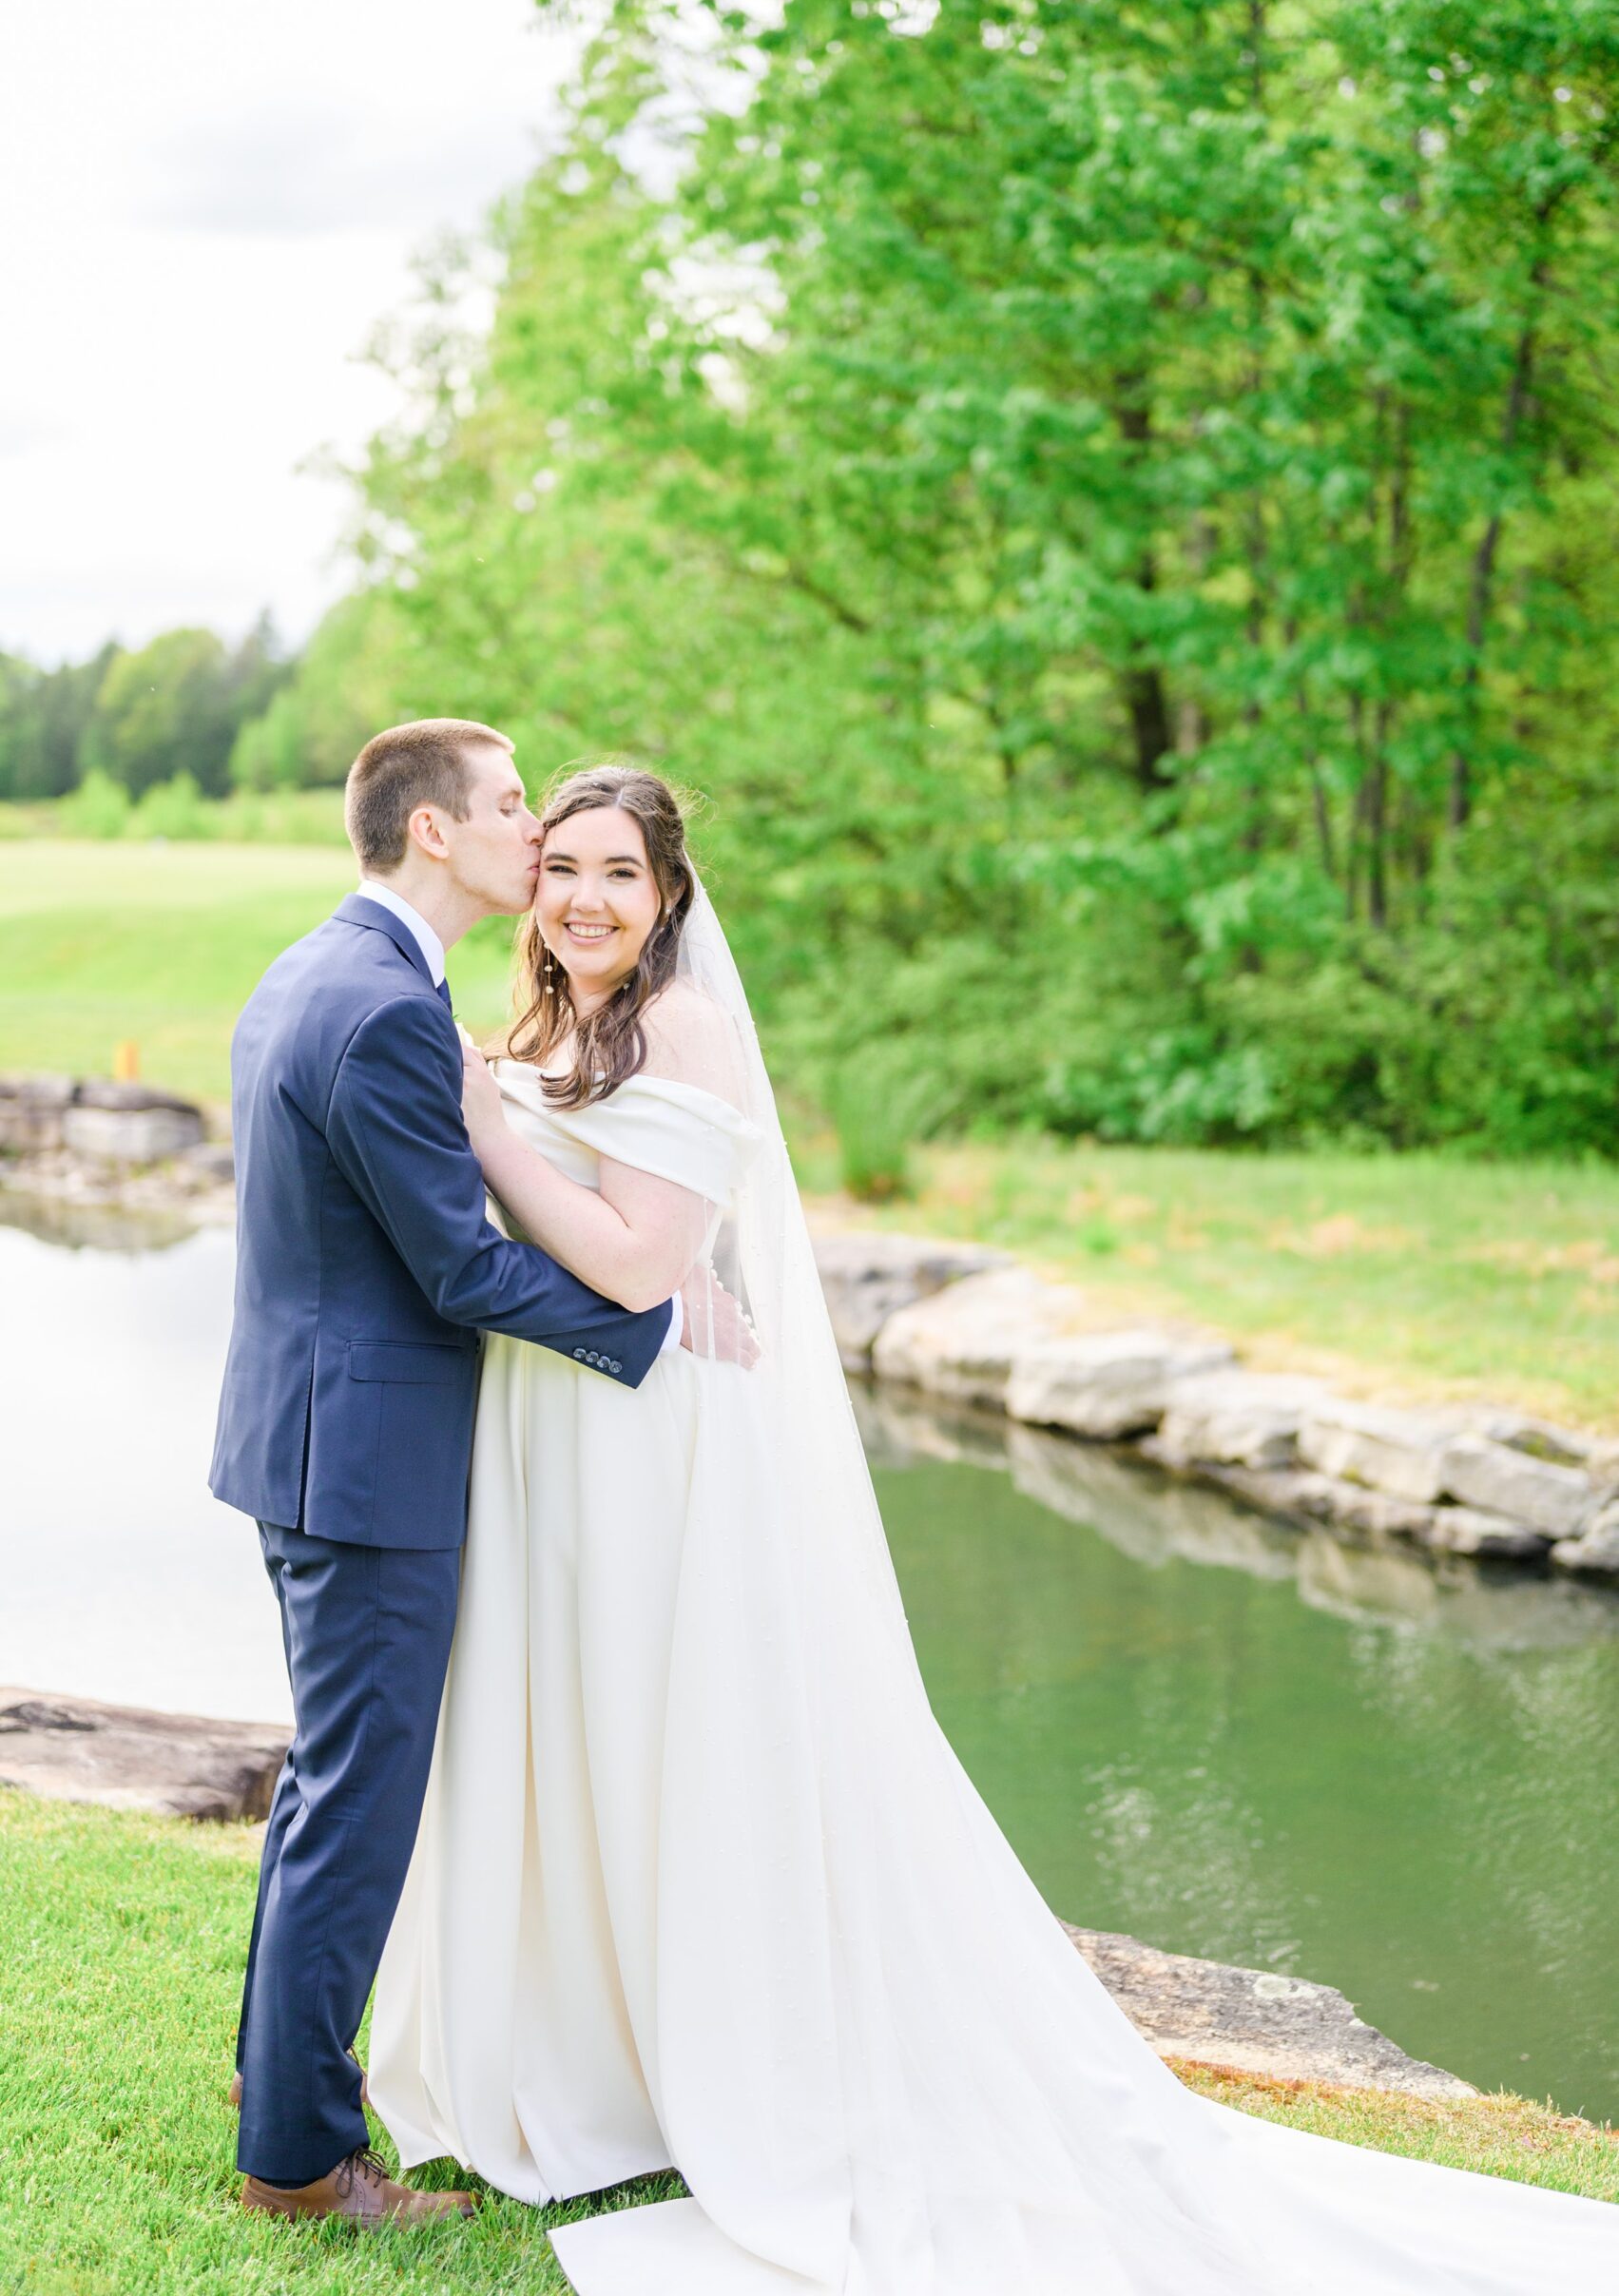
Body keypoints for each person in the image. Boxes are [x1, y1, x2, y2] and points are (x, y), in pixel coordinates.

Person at [369, 761, 1619, 2292]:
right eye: (560, 865)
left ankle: (711, 2065)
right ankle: (594, 2062)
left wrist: (488, 1132)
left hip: (651, 1445)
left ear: (670, 892)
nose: (582, 897)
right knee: (587, 1735)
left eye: (619, 873)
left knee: (673, 1735)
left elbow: (637, 1267)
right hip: (556, 1438)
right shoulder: (557, 1020)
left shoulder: (679, 1028)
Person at [207, 721, 751, 2225]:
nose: (534, 832)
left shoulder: (323, 969)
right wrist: (653, 1325)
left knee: (330, 1787)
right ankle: (303, 2163)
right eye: (516, 809)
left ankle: (280, 2080)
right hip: (367, 1463)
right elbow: (456, 1269)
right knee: (359, 1804)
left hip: (310, 1441)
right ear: (436, 833)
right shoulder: (387, 1010)